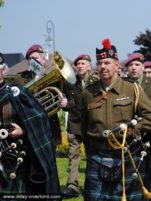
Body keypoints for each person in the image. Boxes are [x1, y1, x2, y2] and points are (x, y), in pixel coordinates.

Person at [81, 39, 151, 201]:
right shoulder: (88, 93)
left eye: (107, 63)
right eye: (100, 63)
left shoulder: (132, 89)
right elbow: (84, 125)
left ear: (117, 65)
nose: (103, 67)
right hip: (97, 155)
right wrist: (90, 150)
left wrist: (132, 132)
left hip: (127, 154)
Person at [0, 53, 61, 198]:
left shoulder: (16, 93)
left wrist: (25, 131)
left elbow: (40, 121)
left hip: (13, 162)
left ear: (2, 69)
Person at [14, 44, 69, 148]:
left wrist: (65, 103)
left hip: (49, 126)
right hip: (29, 126)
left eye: (35, 58)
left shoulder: (54, 76)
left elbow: (69, 100)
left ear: (43, 60)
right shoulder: (19, 78)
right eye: (29, 59)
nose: (32, 61)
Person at [62, 54, 98, 198]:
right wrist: (65, 104)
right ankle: (72, 186)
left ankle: (91, 185)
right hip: (75, 124)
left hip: (92, 126)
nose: (80, 66)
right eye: (78, 64)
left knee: (93, 156)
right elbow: (70, 103)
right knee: (74, 156)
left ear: (90, 66)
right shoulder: (70, 82)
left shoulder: (97, 81)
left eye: (83, 63)